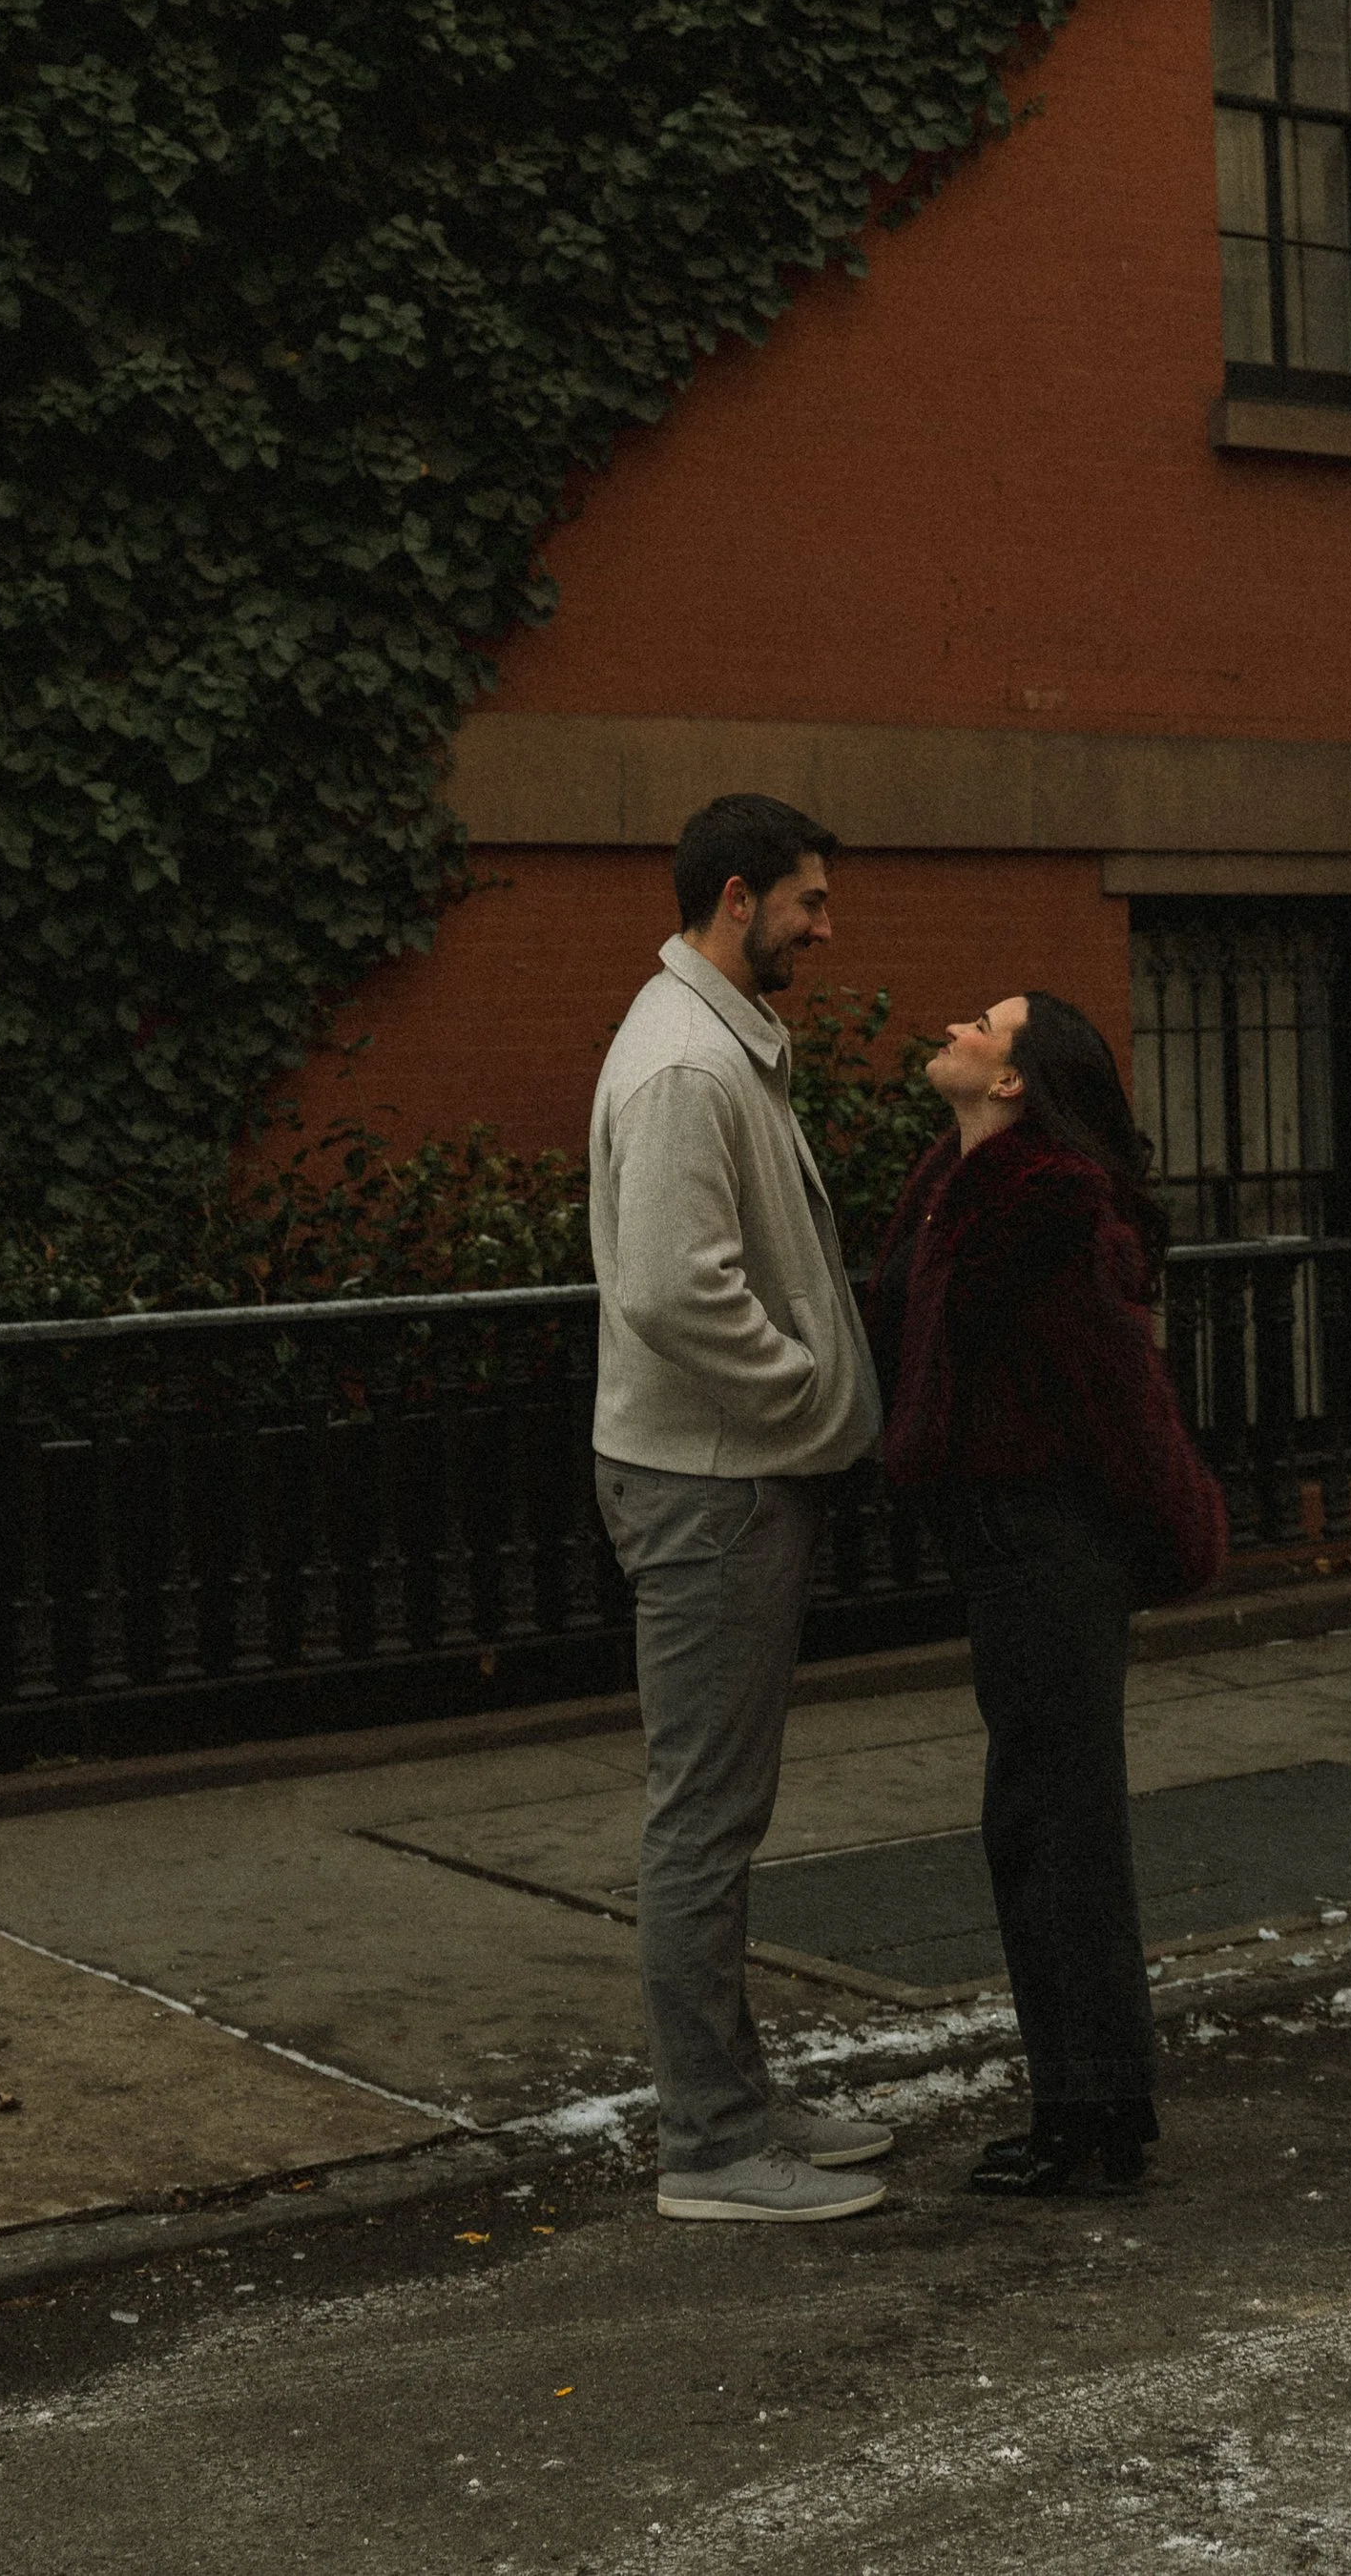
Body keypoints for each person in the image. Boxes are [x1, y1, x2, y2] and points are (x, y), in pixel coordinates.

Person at [589, 792, 894, 2225]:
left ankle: (738, 2100)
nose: (824, 928)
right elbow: (669, 1288)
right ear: (734, 900)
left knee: (720, 1811)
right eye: (807, 903)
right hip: (711, 1486)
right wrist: (812, 1400)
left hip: (722, 1477)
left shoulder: (712, 1045)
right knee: (704, 1819)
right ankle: (712, 2143)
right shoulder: (684, 1065)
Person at [871, 991, 1229, 2195]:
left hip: (1053, 1535)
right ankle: (1090, 2101)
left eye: (984, 1022)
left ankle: (1092, 2113)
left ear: (1016, 1080)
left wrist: (1172, 1535)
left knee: (1056, 1821)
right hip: (1001, 1533)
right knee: (1035, 1815)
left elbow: (1122, 1398)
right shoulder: (958, 1183)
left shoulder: (1050, 1207)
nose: (959, 1026)